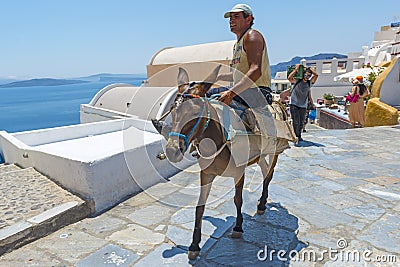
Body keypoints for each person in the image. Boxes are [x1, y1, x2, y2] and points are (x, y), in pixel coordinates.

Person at [153, 4, 273, 136]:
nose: (231, 20)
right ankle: (179, 130)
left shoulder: (252, 36)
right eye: (230, 18)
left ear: (248, 19)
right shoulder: (237, 44)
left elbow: (255, 71)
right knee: (196, 95)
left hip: (257, 92)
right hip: (243, 90)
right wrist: (219, 77)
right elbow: (239, 74)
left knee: (204, 102)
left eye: (236, 16)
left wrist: (230, 93)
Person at [287, 64, 318, 141]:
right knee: (296, 121)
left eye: (309, 76)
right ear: (303, 74)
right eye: (306, 74)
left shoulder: (309, 83)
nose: (307, 76)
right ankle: (296, 135)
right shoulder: (297, 81)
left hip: (303, 105)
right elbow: (289, 78)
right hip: (294, 103)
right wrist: (296, 70)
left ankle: (299, 135)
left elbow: (316, 75)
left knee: (301, 122)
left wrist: (310, 69)